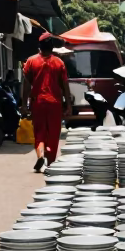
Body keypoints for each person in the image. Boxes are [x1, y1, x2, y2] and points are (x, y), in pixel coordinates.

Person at [21, 33, 73, 171]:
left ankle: (41, 155)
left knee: (39, 133)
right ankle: (50, 163)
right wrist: (68, 105)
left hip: (38, 103)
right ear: (52, 47)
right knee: (53, 134)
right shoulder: (59, 63)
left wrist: (24, 105)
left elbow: (26, 85)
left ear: (40, 46)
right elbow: (65, 86)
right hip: (55, 104)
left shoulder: (31, 61)